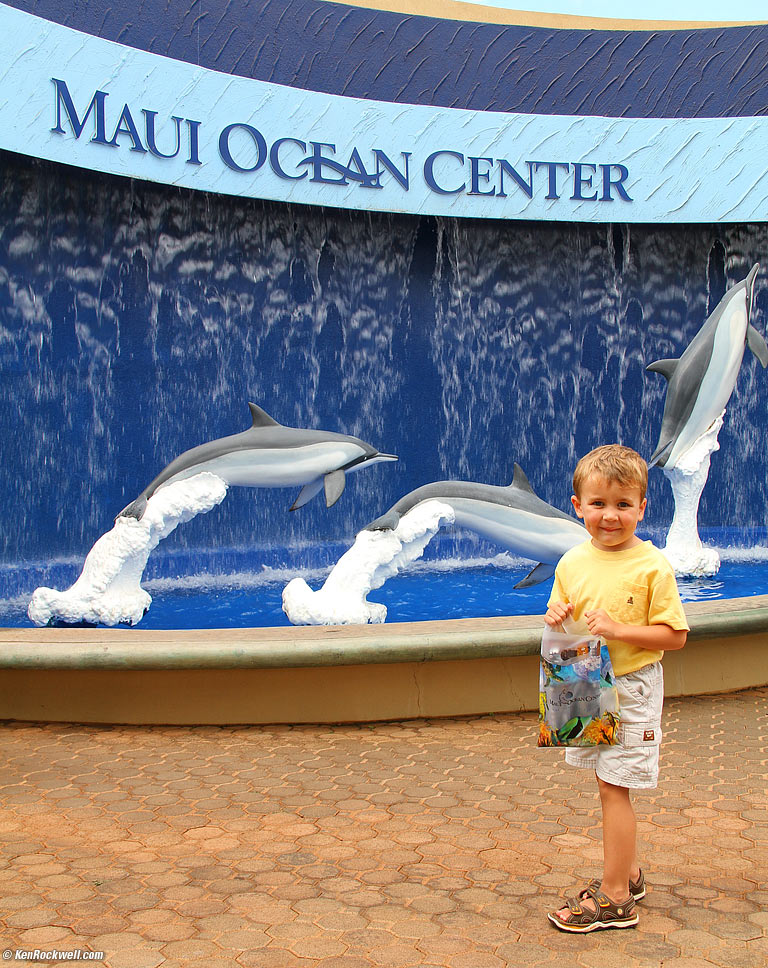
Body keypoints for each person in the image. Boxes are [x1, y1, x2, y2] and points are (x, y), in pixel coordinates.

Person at [544, 444, 688, 933]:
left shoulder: (651, 566)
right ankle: (627, 873)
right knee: (605, 782)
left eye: (623, 505)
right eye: (599, 503)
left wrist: (621, 629)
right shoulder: (571, 561)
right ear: (577, 505)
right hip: (586, 679)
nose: (611, 516)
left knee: (614, 787)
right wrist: (556, 617)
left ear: (642, 508)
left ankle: (615, 898)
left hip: (634, 686)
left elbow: (676, 635)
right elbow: (561, 613)